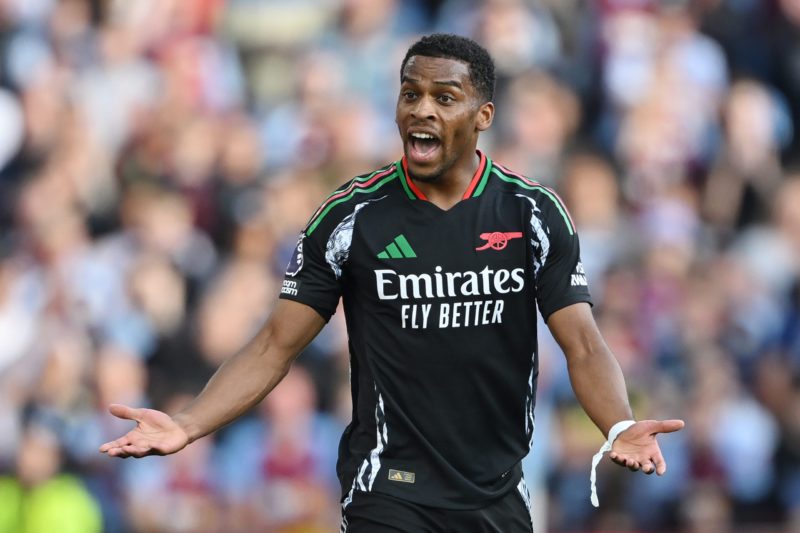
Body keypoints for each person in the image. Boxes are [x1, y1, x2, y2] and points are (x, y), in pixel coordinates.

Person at [100, 34, 684, 532]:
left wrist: (620, 423)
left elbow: (582, 343)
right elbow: (275, 344)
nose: (421, 110)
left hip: (496, 493)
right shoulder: (351, 217)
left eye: (444, 97)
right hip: (389, 488)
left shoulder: (531, 213)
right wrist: (189, 424)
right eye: (411, 94)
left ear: (483, 115)